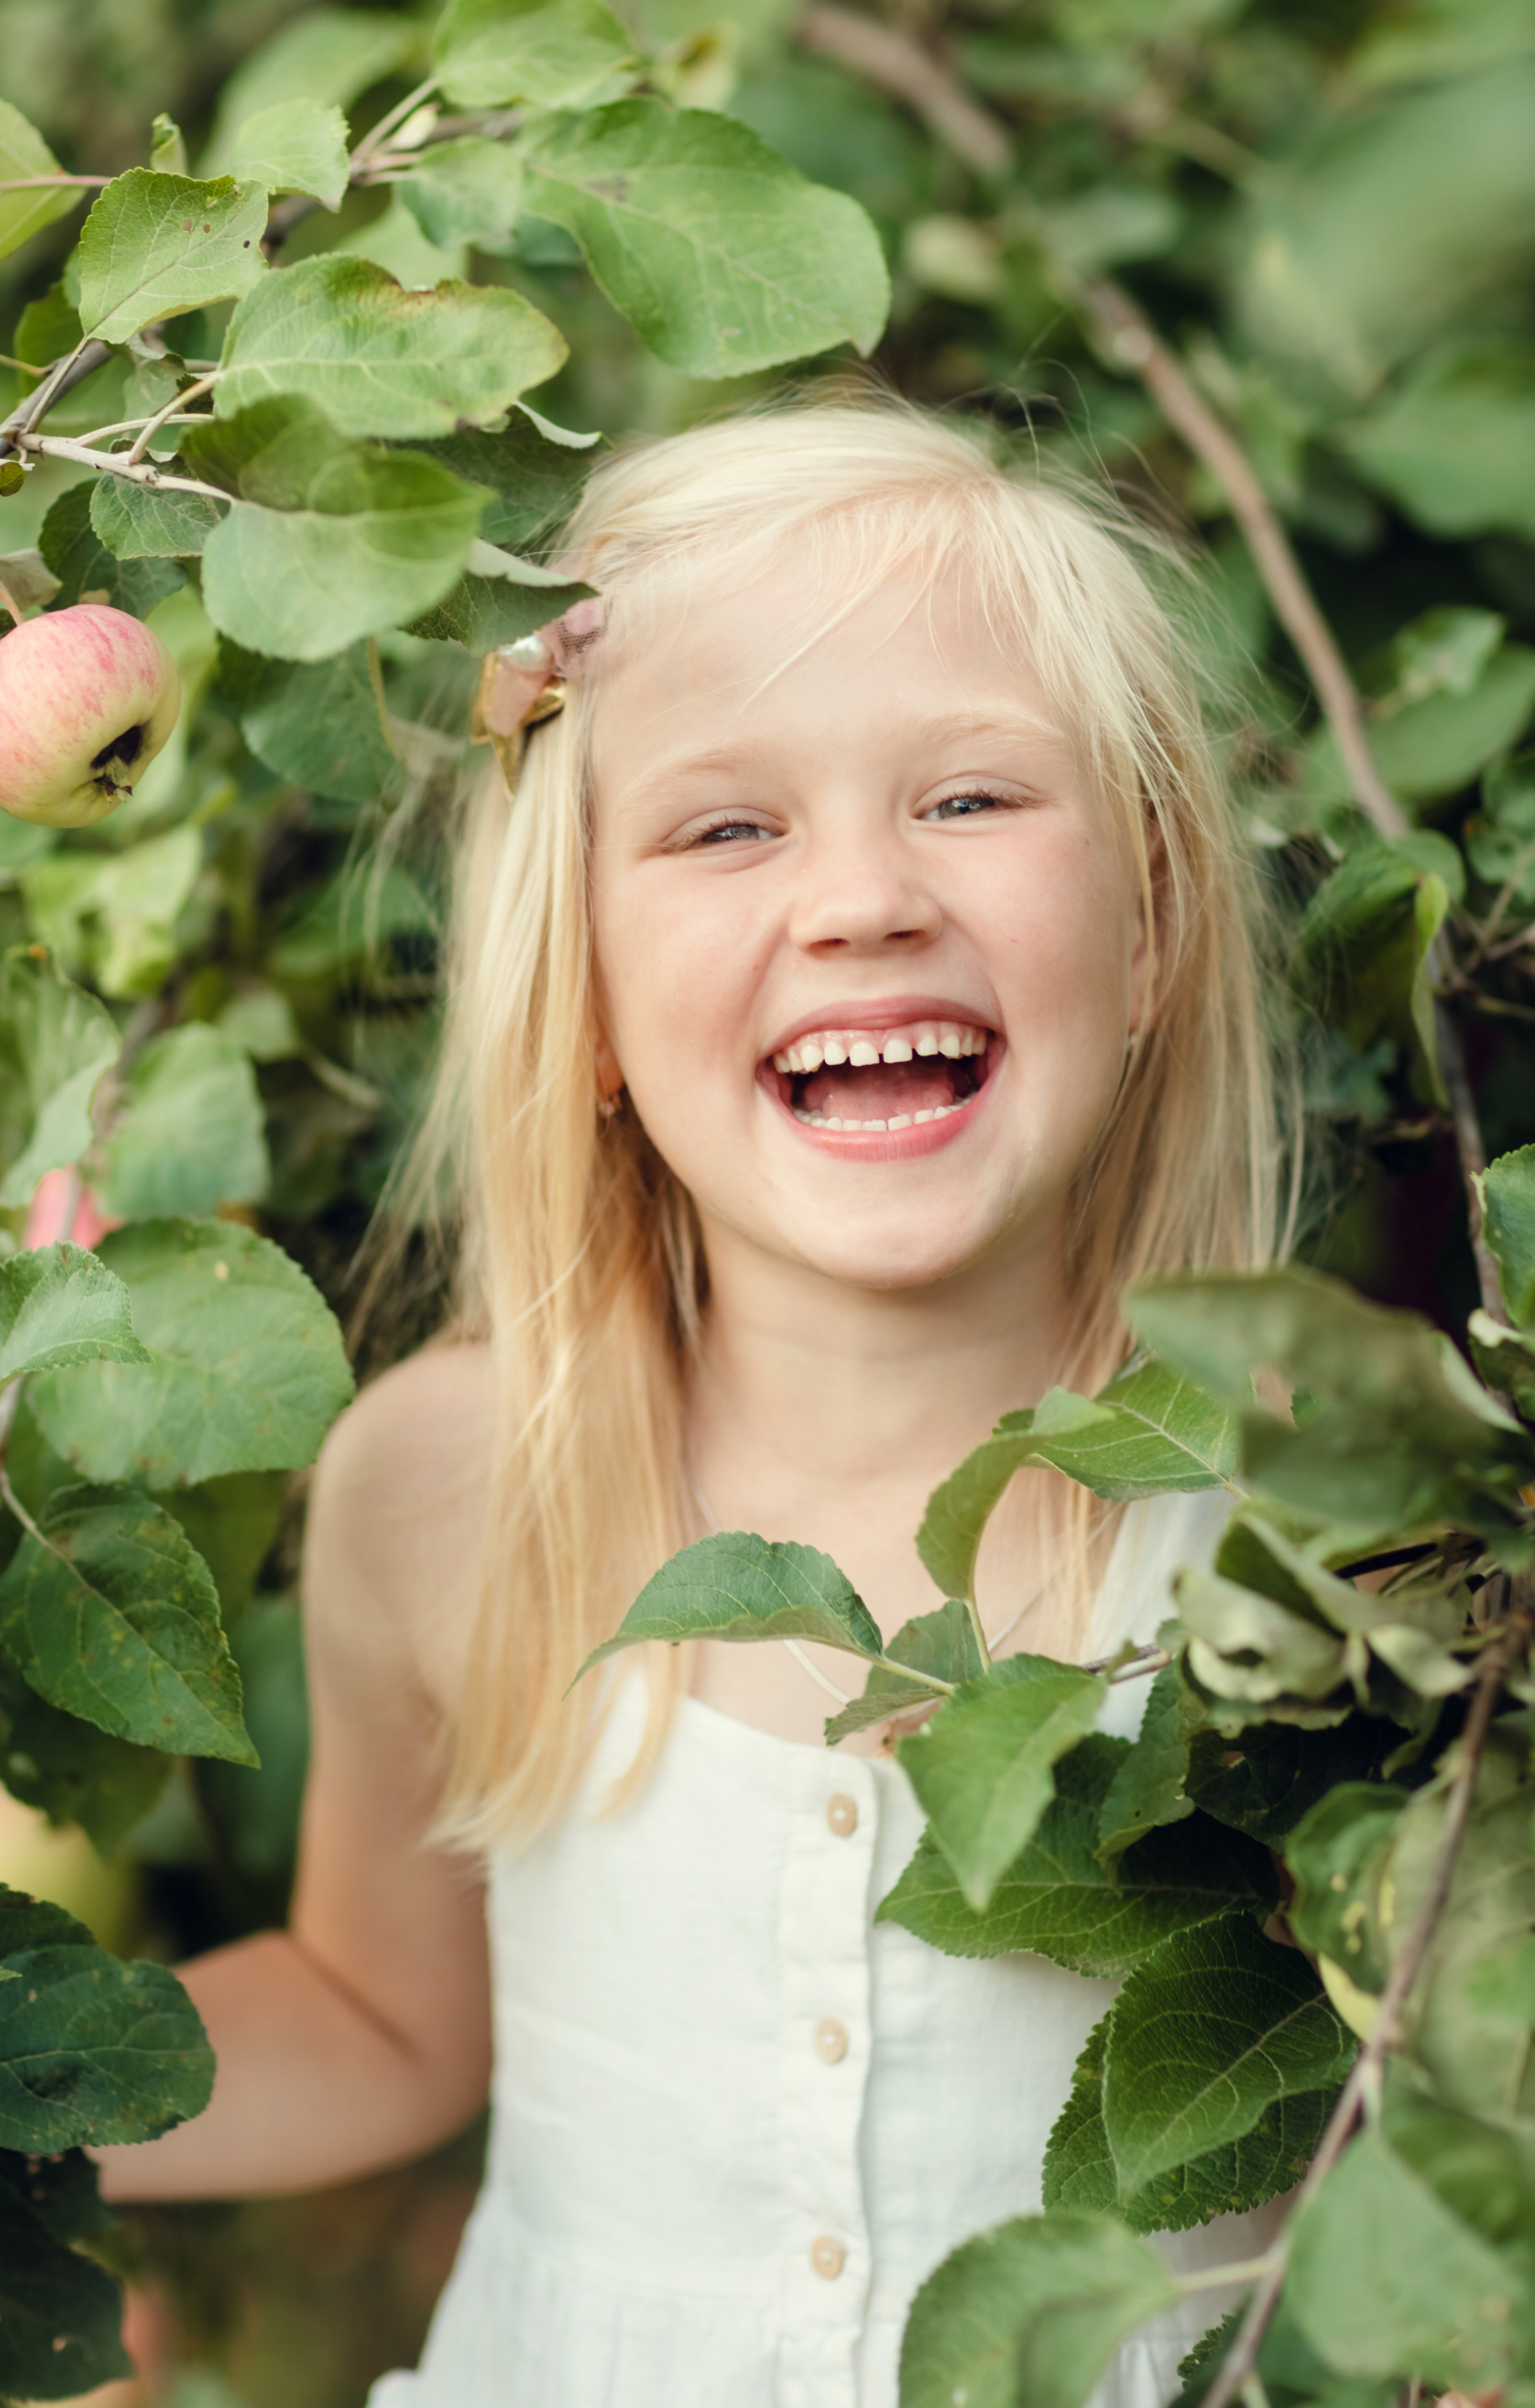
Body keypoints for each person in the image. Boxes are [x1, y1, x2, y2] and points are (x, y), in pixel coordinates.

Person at [98, 396, 1294, 2406]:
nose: (862, 901)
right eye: (730, 826)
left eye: (974, 801)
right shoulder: (455, 1488)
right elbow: (381, 2019)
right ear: (583, 994)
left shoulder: (1329, 1531)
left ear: (1157, 921)